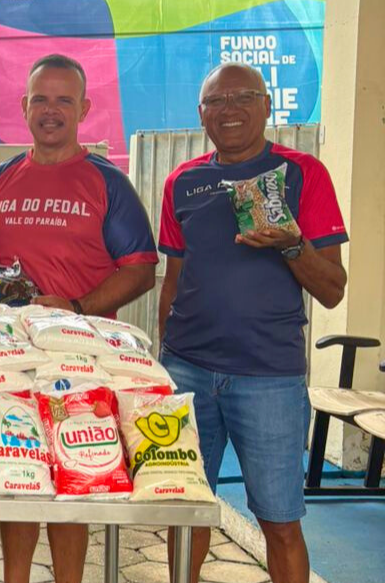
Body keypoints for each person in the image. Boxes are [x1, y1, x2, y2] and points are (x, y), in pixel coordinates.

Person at [0, 54, 157, 583]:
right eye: (40, 99)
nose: (50, 111)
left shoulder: (107, 183)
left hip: (80, 358)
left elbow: (141, 270)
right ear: (24, 107)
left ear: (84, 108)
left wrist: (75, 308)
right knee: (16, 477)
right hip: (7, 357)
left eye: (63, 100)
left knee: (73, 483)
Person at [158, 62, 348, 583]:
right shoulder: (182, 182)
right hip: (187, 372)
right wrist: (162, 365)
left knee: (280, 521)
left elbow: (333, 288)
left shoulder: (302, 173)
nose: (230, 109)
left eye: (244, 97)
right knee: (185, 511)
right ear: (201, 115)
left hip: (269, 378)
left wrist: (290, 243)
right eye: (217, 101)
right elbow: (172, 282)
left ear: (267, 105)